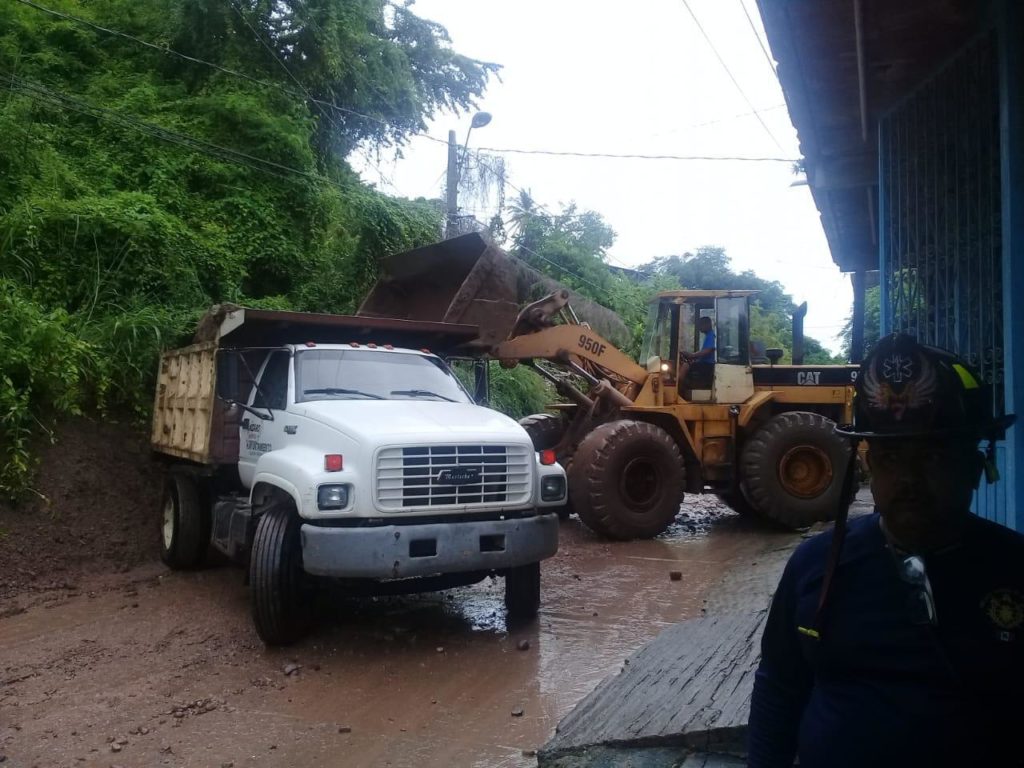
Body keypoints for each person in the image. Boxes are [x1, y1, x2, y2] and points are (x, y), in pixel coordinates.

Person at [747, 333, 1024, 768]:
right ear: (870, 467)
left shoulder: (1013, 570)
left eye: (931, 457)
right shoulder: (817, 567)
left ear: (974, 467)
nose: (909, 479)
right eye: (891, 458)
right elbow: (779, 686)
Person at [679, 315, 715, 386]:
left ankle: (679, 389)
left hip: (708, 365)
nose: (699, 327)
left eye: (700, 325)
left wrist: (692, 355)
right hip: (704, 364)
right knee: (682, 365)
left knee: (685, 366)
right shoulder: (708, 335)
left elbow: (708, 350)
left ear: (707, 325)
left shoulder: (711, 335)